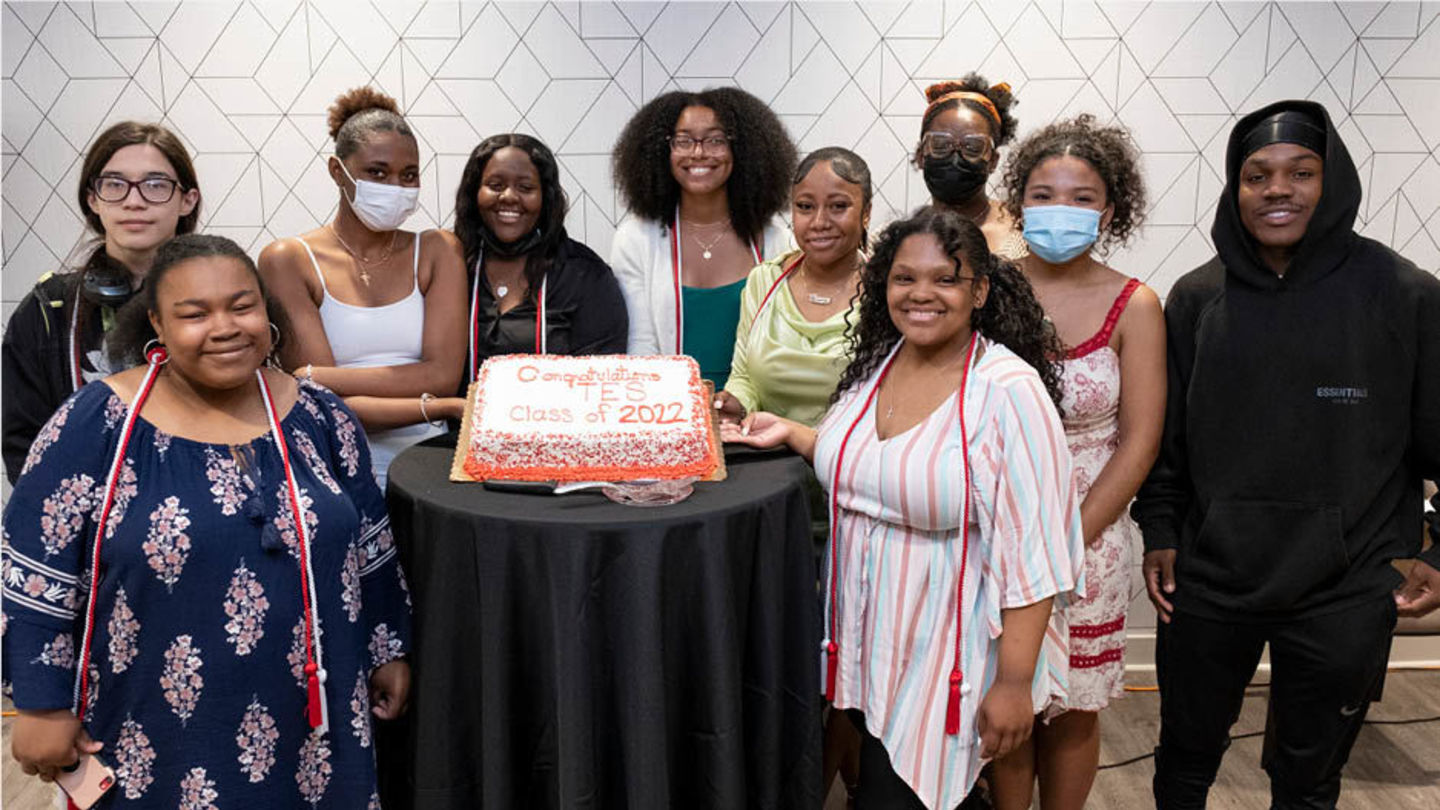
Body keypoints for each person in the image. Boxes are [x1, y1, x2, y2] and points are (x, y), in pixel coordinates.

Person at [3, 234, 412, 807]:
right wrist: (42, 704)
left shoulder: (321, 416)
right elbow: (34, 569)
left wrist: (388, 647)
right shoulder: (96, 426)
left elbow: (369, 545)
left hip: (317, 727)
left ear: (267, 314)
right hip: (154, 732)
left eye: (242, 306)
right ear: (157, 326)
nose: (225, 327)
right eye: (194, 314)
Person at [1132, 99, 1440, 809]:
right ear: (1234, 188)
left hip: (1347, 585)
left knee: (1308, 780)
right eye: (1257, 174)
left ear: (1332, 183)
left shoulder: (1405, 296)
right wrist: (1160, 529)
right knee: (1183, 761)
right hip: (1211, 581)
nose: (1278, 189)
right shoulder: (1196, 298)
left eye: (1301, 172)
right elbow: (1164, 440)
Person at [726, 208, 1085, 809]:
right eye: (903, 278)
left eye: (946, 279)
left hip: (950, 657)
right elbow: (880, 472)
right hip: (872, 650)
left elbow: (1035, 555)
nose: (922, 294)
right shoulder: (879, 365)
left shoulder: (1007, 390)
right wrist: (792, 431)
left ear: (980, 291)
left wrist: (1015, 684)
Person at [987, 116, 1165, 810]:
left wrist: (1067, 540)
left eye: (1081, 197)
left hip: (1091, 538)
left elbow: (1140, 441)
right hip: (997, 528)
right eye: (1042, 193)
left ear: (1110, 210)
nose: (1060, 209)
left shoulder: (1137, 304)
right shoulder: (987, 291)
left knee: (1073, 707)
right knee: (1008, 702)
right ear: (1019, 204)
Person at [259, 87, 468, 487]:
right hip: (331, 468)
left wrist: (322, 375)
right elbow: (322, 404)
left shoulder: (438, 249)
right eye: (377, 172)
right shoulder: (288, 259)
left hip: (428, 470)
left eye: (409, 175)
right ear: (338, 172)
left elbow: (443, 375)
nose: (395, 186)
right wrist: (438, 404)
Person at [3, 121, 201, 484]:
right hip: (88, 522)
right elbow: (23, 443)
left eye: (156, 185)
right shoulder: (49, 308)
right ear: (92, 199)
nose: (134, 200)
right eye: (115, 184)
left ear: (187, 199)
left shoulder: (222, 301)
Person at [610, 86, 797, 387]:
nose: (698, 152)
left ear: (744, 149)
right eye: (683, 141)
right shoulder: (636, 239)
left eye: (715, 140)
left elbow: (785, 345)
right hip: (672, 413)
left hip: (758, 416)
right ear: (662, 150)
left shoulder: (776, 239)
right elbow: (640, 349)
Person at [714, 147, 869, 428]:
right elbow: (744, 377)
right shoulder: (764, 281)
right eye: (805, 207)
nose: (819, 222)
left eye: (838, 206)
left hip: (853, 465)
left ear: (866, 214)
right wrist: (736, 404)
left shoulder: (887, 291)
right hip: (771, 462)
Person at [453, 133, 627, 379]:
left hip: (556, 416)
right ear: (474, 193)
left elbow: (601, 383)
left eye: (526, 188)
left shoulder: (585, 275)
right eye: (495, 185)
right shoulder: (453, 266)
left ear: (545, 197)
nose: (509, 196)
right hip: (459, 417)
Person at [914, 75, 1024, 258]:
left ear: (993, 161)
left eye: (972, 147)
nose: (955, 156)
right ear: (920, 156)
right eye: (941, 144)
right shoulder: (896, 236)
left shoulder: (1023, 232)